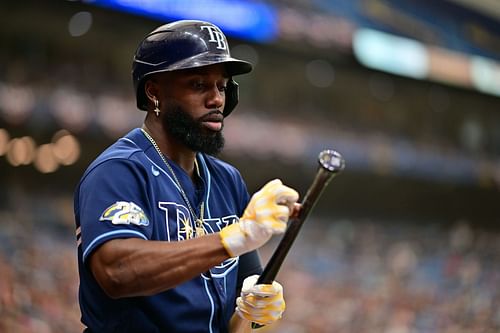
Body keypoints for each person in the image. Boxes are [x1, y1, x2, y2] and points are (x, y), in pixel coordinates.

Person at [74, 20, 299, 333]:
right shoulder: (119, 170)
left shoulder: (227, 180)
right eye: (198, 85)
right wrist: (232, 238)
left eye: (222, 87)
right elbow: (117, 272)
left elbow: (239, 321)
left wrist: (254, 312)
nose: (217, 99)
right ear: (154, 92)